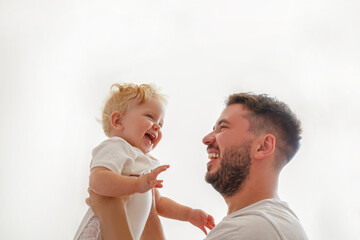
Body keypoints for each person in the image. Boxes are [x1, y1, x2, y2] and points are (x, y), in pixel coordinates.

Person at [87, 92, 308, 239]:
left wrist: (111, 210)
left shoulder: (253, 229)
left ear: (263, 146)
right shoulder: (264, 223)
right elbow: (153, 205)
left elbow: (157, 204)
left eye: (222, 128)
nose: (206, 138)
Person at [74, 83, 215, 240]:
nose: (157, 126)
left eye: (161, 124)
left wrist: (188, 214)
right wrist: (137, 184)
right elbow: (97, 180)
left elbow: (158, 202)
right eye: (150, 116)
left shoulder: (141, 163)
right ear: (118, 121)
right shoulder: (116, 146)